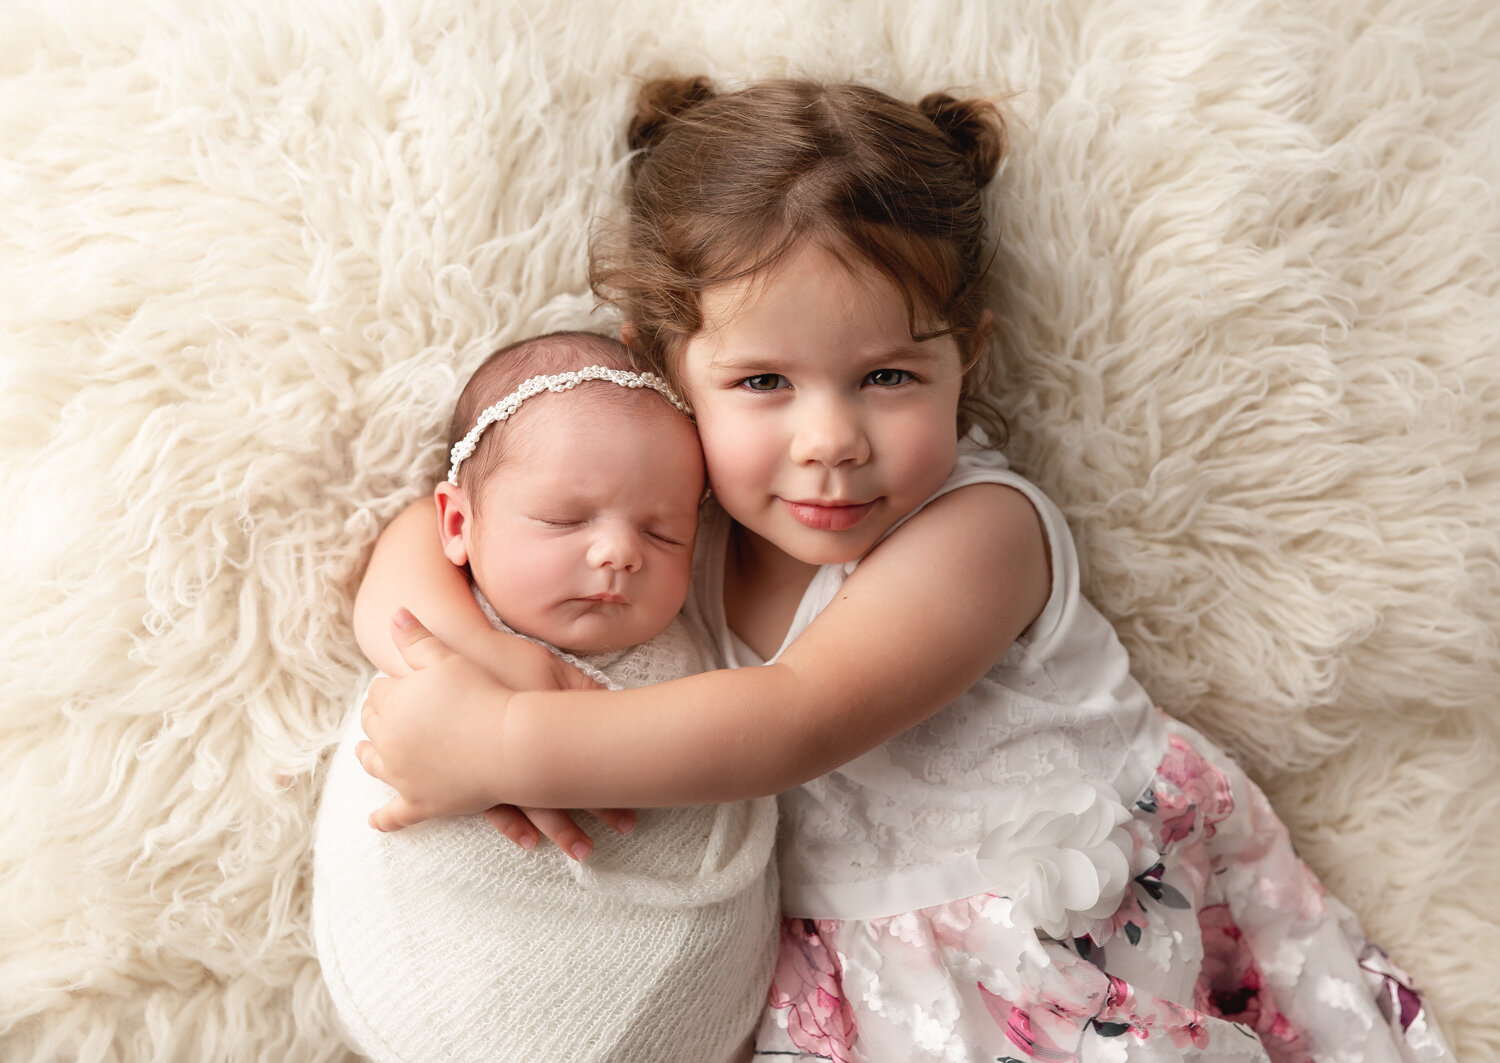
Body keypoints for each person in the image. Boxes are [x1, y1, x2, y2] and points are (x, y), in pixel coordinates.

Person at [351, 80, 1454, 1063]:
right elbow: (427, 534)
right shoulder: (677, 525)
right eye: (765, 382)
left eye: (885, 373)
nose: (830, 439)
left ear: (962, 357)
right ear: (668, 368)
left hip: (1057, 956)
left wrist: (499, 742)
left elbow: (797, 715)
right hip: (846, 989)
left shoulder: (980, 532)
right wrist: (481, 655)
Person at [314, 330, 778, 1063]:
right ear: (461, 524)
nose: (620, 552)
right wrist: (487, 648)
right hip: (461, 947)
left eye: (664, 533)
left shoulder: (690, 630)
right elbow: (396, 595)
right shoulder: (448, 614)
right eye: (566, 519)